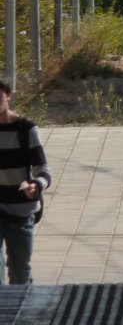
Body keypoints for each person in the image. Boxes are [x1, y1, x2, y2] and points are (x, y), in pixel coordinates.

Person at [0, 78, 50, 284]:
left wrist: (35, 185)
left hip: (21, 210)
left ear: (8, 96)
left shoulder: (25, 129)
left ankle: (22, 314)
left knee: (20, 273)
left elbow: (43, 170)